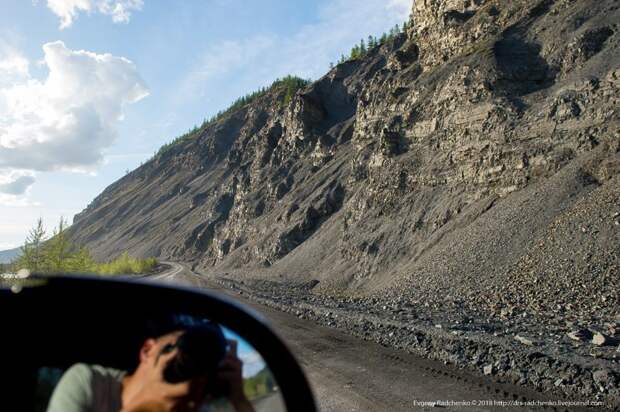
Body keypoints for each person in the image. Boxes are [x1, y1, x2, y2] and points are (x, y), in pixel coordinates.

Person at [47, 317, 256, 412]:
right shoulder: (89, 382)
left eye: (204, 360)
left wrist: (240, 400)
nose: (191, 360)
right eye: (186, 346)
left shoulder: (194, 405)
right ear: (148, 350)